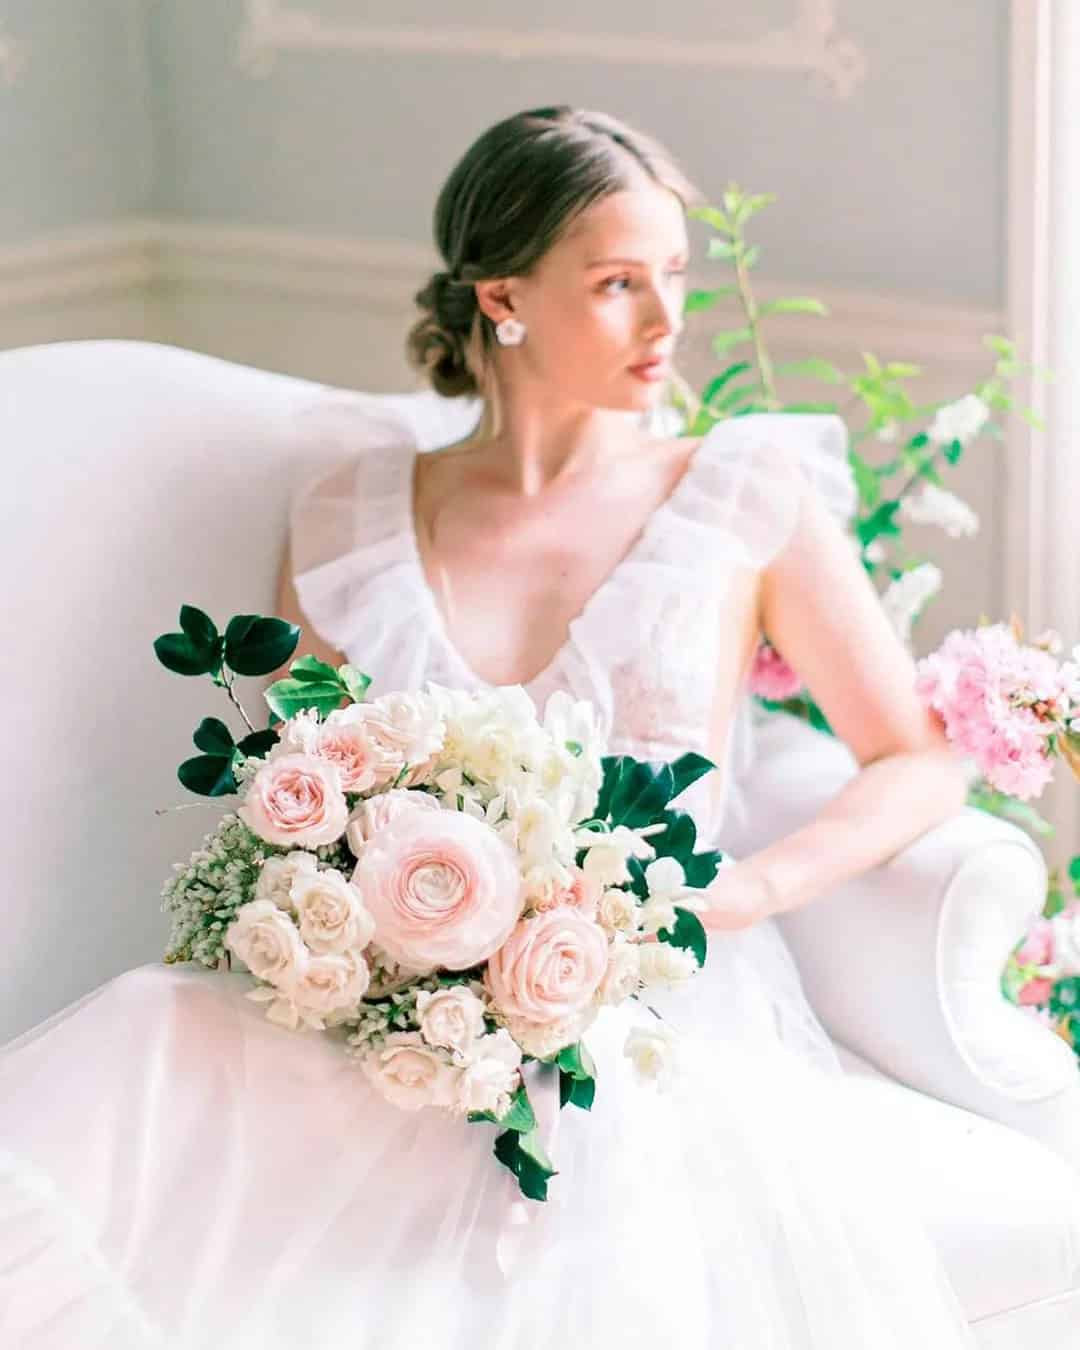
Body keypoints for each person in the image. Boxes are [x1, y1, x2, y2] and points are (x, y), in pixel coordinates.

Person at [0, 106, 977, 1348]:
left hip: (644, 1012)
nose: (667, 323)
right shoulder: (354, 507)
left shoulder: (739, 492)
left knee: (572, 1175)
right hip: (402, 1006)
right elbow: (303, 784)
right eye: (620, 284)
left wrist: (755, 883)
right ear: (503, 298)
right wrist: (353, 939)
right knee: (150, 1026)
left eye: (674, 277)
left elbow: (918, 755)